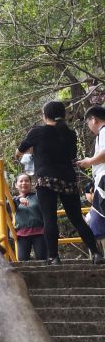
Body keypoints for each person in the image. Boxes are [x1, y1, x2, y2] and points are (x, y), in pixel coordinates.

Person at [16, 100, 102, 264]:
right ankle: (96, 253)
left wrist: (32, 150)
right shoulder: (70, 134)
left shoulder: (37, 132)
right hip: (68, 180)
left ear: (44, 115)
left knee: (49, 219)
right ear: (63, 115)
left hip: (46, 180)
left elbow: (19, 152)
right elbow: (71, 156)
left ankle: (54, 257)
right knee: (77, 218)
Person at [77, 104, 105, 241]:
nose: (88, 126)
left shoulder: (104, 131)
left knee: (98, 219)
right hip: (100, 179)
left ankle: (88, 220)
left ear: (93, 119)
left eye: (88, 122)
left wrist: (89, 161)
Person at [12, 173, 47, 262]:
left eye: (27, 181)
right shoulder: (13, 200)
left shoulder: (38, 196)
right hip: (21, 234)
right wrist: (18, 200)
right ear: (16, 185)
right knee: (22, 260)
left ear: (31, 184)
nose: (24, 183)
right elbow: (6, 206)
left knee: (42, 259)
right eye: (21, 181)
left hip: (39, 232)